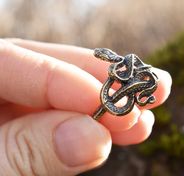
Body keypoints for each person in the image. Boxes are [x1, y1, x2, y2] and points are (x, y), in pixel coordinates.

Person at [0, 38, 172, 176]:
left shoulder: (127, 67)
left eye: (103, 56)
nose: (100, 57)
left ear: (108, 57)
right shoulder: (123, 68)